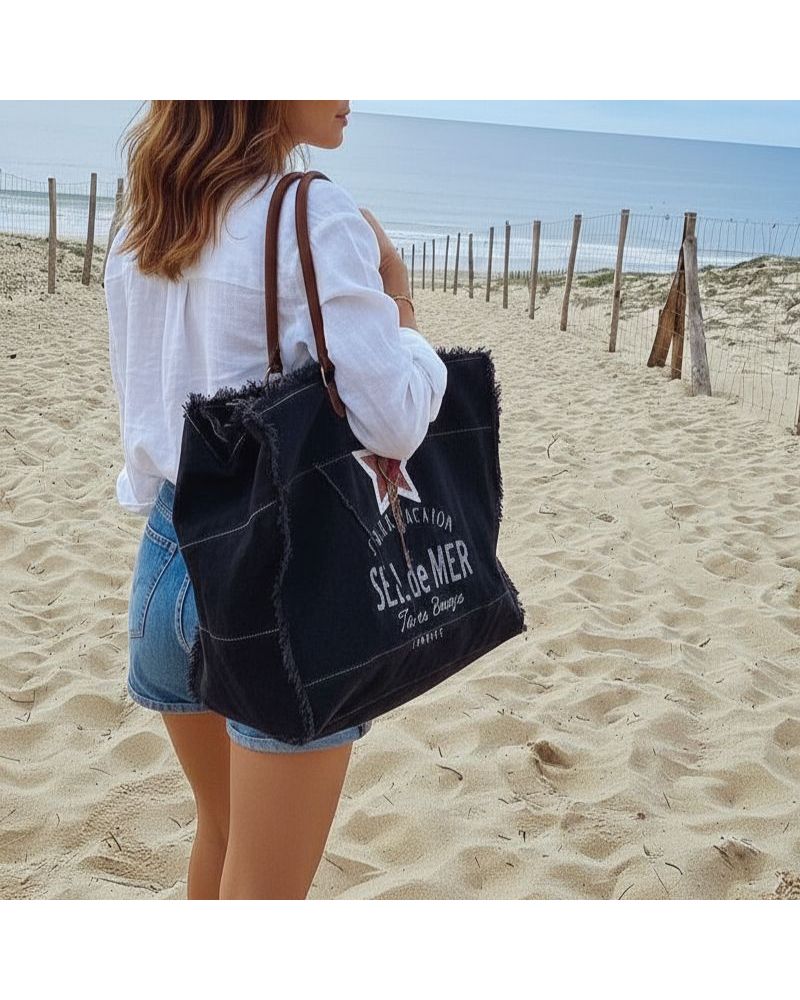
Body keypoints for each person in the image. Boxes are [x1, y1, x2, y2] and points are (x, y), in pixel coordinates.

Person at [104, 101, 447, 900]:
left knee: (223, 839)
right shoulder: (314, 211)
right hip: (274, 588)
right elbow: (392, 421)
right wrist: (402, 307)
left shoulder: (146, 218)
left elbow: (145, 410)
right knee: (264, 896)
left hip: (167, 561)